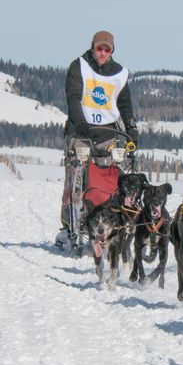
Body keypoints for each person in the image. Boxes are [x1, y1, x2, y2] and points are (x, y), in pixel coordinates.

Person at [55, 30, 139, 249]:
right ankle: (68, 227)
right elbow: (73, 97)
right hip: (80, 131)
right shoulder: (79, 66)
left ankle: (108, 220)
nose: (102, 53)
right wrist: (80, 121)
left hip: (108, 133)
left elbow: (125, 105)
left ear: (112, 51)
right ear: (93, 47)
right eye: (99, 48)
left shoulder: (119, 74)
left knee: (111, 177)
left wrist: (131, 128)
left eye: (107, 49)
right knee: (76, 177)